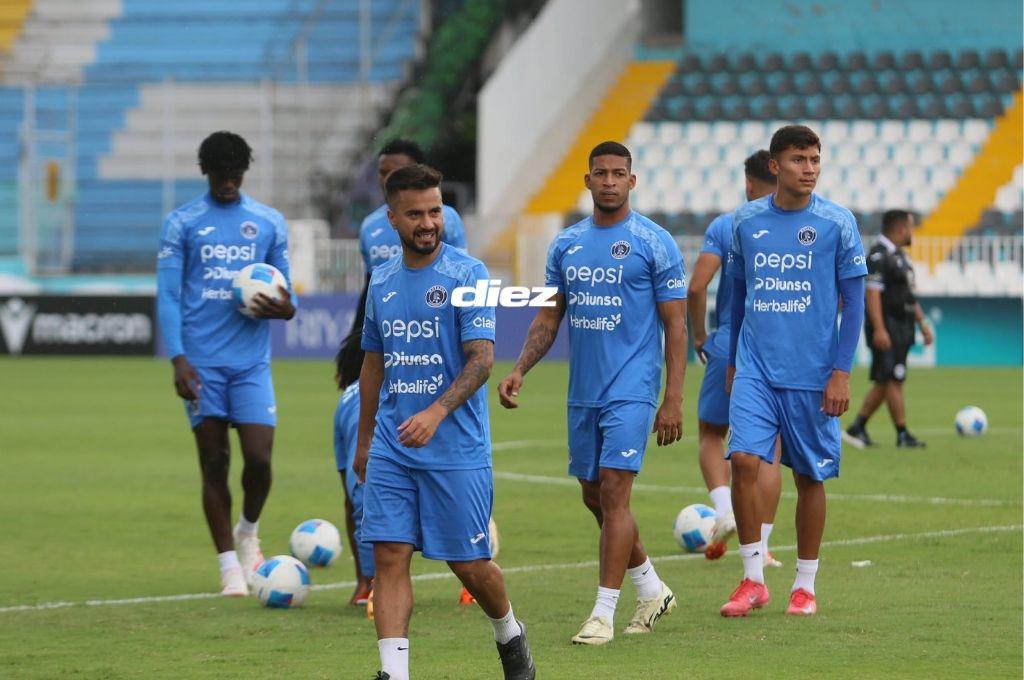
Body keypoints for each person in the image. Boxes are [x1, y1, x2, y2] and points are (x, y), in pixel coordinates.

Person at [498, 141, 687, 646]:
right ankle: (652, 587)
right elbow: (549, 315)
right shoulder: (567, 245)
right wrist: (520, 368)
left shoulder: (655, 242)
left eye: (618, 173)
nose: (609, 181)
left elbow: (676, 325)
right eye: (600, 173)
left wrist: (673, 397)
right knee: (593, 494)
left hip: (634, 387)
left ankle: (603, 613)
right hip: (584, 390)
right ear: (587, 181)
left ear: (632, 181)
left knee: (614, 490)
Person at [355, 164, 535, 680]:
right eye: (415, 214)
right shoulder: (383, 281)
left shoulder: (469, 275)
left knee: (470, 566)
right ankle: (394, 673)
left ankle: (509, 633)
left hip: (455, 447)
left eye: (435, 211)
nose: (428, 222)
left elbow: (481, 359)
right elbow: (373, 365)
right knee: (389, 554)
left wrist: (436, 412)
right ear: (392, 219)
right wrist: (366, 439)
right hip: (393, 445)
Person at [721, 125, 866, 617]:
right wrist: (735, 362)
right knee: (742, 460)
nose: (809, 169)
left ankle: (804, 585)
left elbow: (856, 302)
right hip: (756, 368)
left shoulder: (837, 223)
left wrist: (841, 372)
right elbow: (737, 296)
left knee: (809, 477)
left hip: (813, 374)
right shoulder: (746, 222)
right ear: (775, 166)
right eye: (799, 160)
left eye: (815, 159)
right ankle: (752, 577)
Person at [156, 131, 296, 596]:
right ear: (206, 172)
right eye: (220, 175)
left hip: (251, 363)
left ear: (245, 172)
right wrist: (178, 358)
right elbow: (169, 296)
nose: (228, 183)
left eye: (236, 175)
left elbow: (286, 292)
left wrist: (286, 308)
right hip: (201, 363)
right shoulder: (182, 223)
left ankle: (248, 532)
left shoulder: (269, 222)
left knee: (259, 459)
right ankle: (227, 567)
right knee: (213, 461)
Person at [687, 150, 783, 565]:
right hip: (778, 345)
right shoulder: (796, 226)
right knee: (770, 449)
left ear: (748, 183)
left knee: (712, 431)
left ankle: (725, 511)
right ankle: (762, 546)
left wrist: (700, 336)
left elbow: (696, 287)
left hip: (730, 340)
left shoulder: (727, 226)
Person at [350, 139, 467, 336]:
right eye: (382, 171)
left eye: (395, 171)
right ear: (392, 220)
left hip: (434, 326)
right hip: (391, 329)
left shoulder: (446, 219)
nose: (386, 178)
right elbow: (370, 289)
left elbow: (461, 278)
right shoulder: (370, 226)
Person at [843, 209, 933, 449]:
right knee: (893, 378)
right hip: (888, 327)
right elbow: (872, 294)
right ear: (901, 228)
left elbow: (909, 296)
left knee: (887, 380)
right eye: (911, 227)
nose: (912, 232)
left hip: (902, 326)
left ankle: (857, 427)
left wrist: (922, 324)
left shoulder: (899, 256)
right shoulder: (877, 256)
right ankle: (902, 433)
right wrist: (880, 329)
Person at [332, 331, 375, 606]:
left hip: (362, 484)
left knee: (357, 503)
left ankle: (366, 584)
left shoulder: (345, 400)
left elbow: (352, 499)